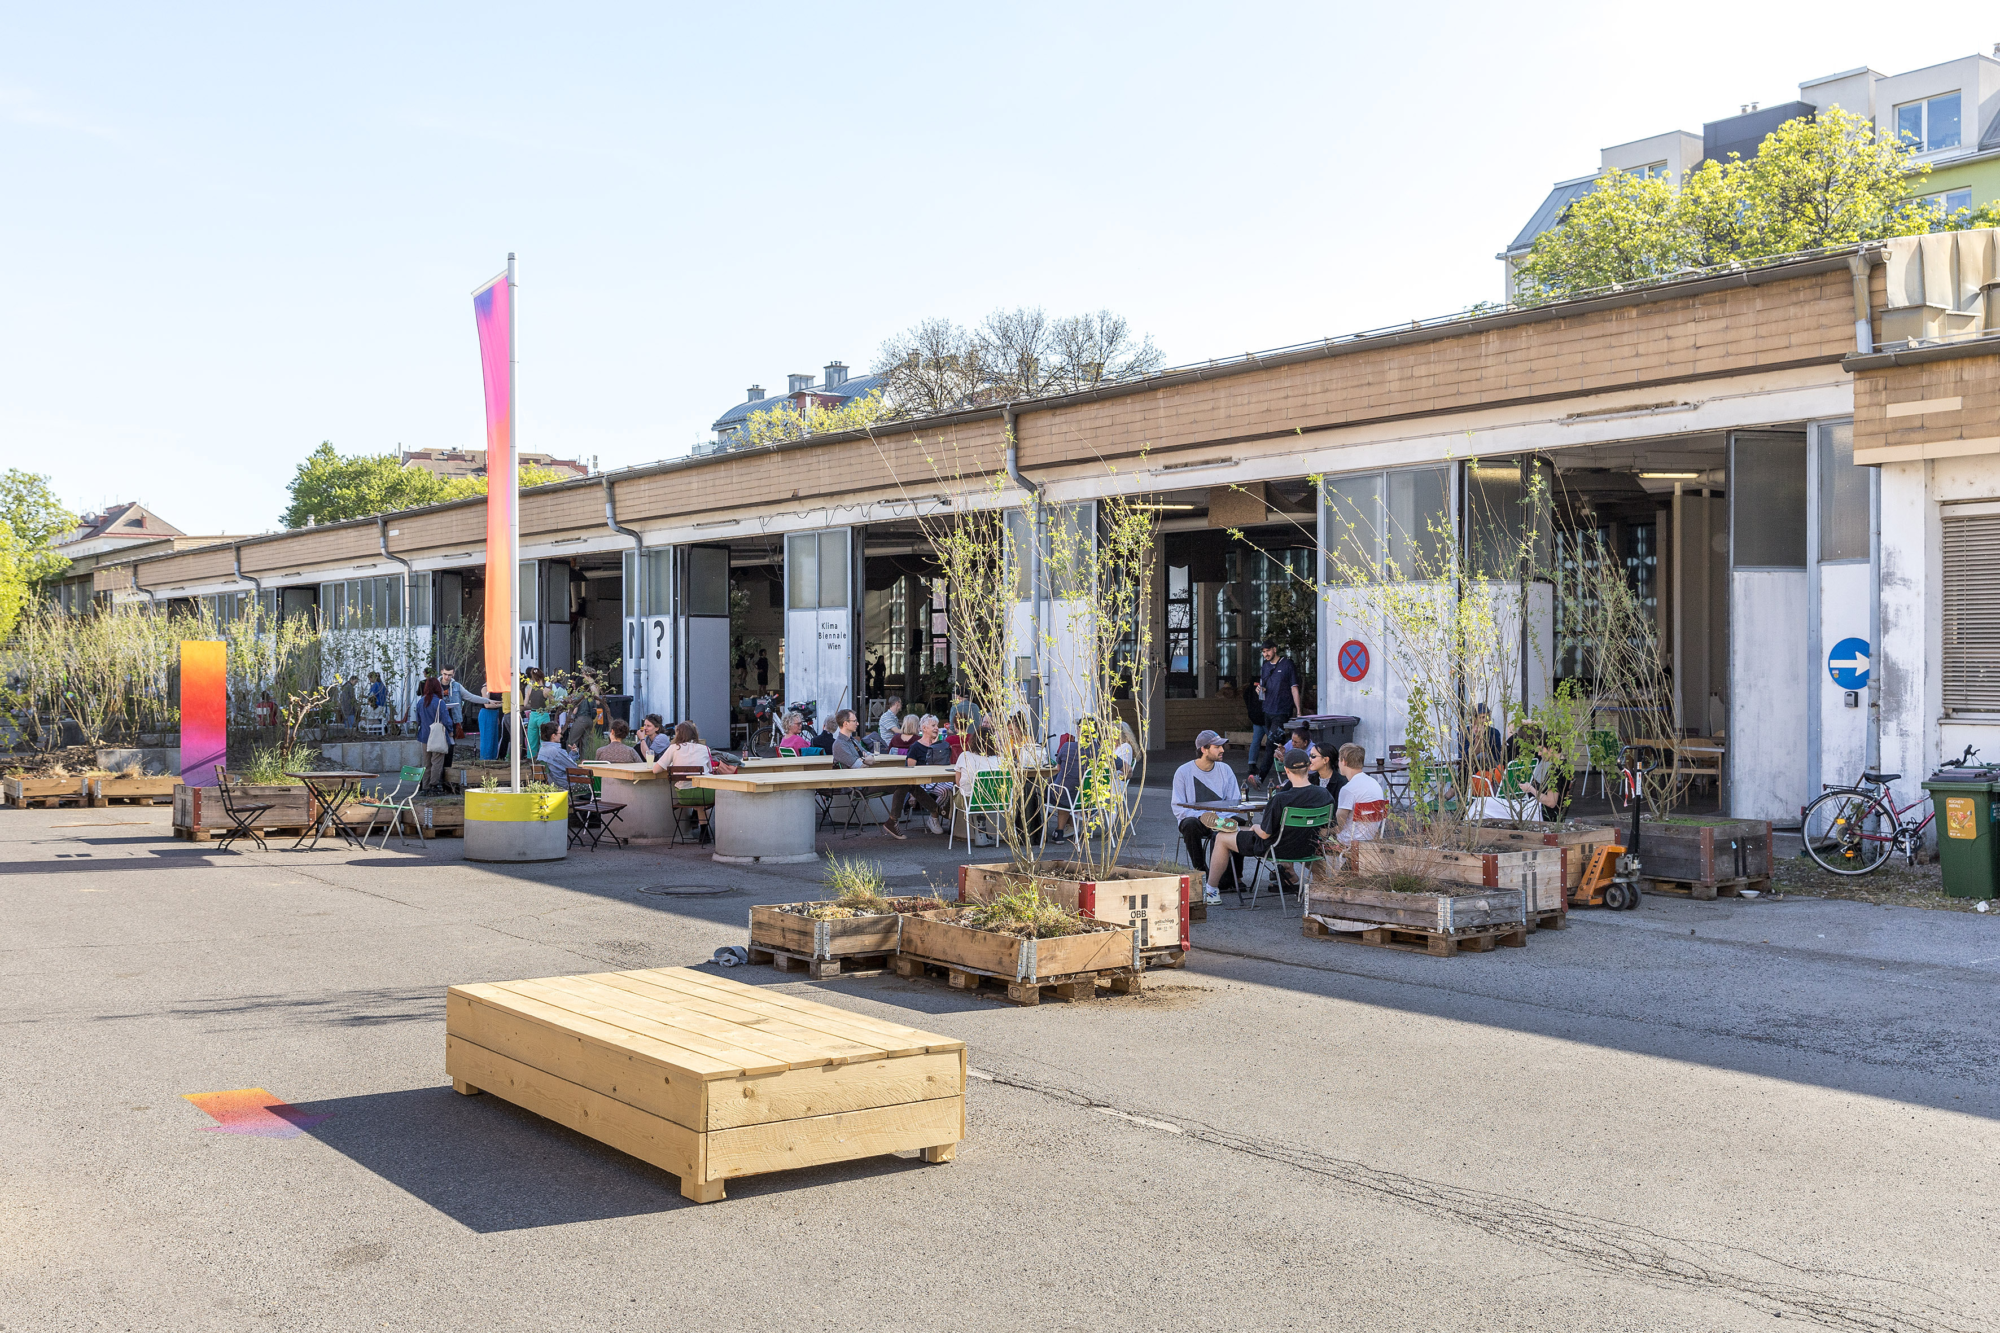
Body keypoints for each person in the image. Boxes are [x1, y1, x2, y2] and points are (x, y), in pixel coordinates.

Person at [1208, 747, 1333, 895]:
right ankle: (1322, 891)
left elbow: (1265, 834)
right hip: (1307, 848)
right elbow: (1326, 830)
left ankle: (1211, 891)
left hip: (1275, 848)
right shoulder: (1324, 794)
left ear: (1286, 770)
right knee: (1245, 830)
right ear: (1308, 767)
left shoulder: (1280, 799)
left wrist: (1255, 827)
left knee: (1222, 838)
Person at [1172, 730, 1243, 900]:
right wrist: (1202, 817)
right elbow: (1178, 807)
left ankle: (1233, 877)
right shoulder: (1183, 772)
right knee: (1189, 825)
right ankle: (1200, 873)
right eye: (1217, 746)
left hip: (1221, 818)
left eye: (1222, 746)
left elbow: (1235, 801)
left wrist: (1221, 818)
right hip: (1196, 819)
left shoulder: (1225, 769)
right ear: (1204, 749)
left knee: (1237, 822)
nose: (1222, 750)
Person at [830, 708, 905, 840]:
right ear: (845, 723)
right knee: (903, 784)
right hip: (859, 786)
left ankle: (935, 811)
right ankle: (892, 822)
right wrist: (865, 760)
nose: (857, 723)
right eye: (855, 721)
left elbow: (868, 756)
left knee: (908, 783)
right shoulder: (839, 745)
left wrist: (864, 760)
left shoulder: (852, 741)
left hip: (867, 780)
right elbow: (858, 765)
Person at [889, 715, 954, 836]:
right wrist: (912, 794)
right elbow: (910, 771)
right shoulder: (916, 747)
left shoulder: (942, 745)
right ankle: (934, 816)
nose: (936, 728)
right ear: (924, 728)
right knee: (945, 790)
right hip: (924, 782)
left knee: (955, 787)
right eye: (933, 726)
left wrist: (936, 746)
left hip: (940, 779)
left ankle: (947, 817)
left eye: (937, 726)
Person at [1250, 640, 1301, 788]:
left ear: (1274, 649)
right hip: (1267, 710)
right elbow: (1263, 685)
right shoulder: (1265, 667)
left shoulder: (1287, 665)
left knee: (1271, 744)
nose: (1265, 654)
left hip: (1282, 711)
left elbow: (1294, 688)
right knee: (1280, 745)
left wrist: (1298, 711)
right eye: (1263, 652)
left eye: (1268, 651)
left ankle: (1260, 776)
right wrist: (1260, 690)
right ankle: (1292, 777)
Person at [654, 721, 715, 843]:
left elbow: (655, 770)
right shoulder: (705, 748)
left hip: (685, 796)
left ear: (678, 734)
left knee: (696, 799)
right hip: (706, 794)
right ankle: (704, 831)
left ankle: (697, 822)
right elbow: (711, 770)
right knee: (701, 801)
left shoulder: (673, 748)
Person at [953, 726, 1005, 847]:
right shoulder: (1000, 760)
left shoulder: (964, 756)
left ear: (973, 740)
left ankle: (976, 834)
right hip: (994, 801)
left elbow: (958, 782)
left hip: (969, 801)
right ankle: (982, 836)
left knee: (960, 791)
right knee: (976, 794)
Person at [1334, 743, 1388, 848]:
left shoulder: (1348, 789)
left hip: (1349, 841)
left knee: (1318, 840)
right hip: (1371, 838)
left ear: (1344, 761)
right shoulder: (1374, 783)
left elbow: (1339, 824)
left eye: (1339, 760)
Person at [1521, 734, 1573, 822]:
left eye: (1541, 750)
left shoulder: (1555, 771)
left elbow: (1551, 802)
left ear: (1551, 748)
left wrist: (1530, 789)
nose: (1539, 753)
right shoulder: (1565, 765)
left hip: (1545, 815)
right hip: (1551, 813)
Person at [414, 677, 450, 792]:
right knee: (437, 762)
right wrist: (451, 731)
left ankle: (425, 786)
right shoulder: (440, 702)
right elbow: (446, 721)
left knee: (426, 763)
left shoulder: (420, 702)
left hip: (424, 736)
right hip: (437, 736)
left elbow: (418, 720)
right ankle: (434, 785)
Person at [1462, 704, 1504, 792]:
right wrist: (1478, 739)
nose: (1485, 720)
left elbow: (1496, 757)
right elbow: (1467, 756)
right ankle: (1452, 795)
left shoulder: (1494, 733)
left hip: (1491, 765)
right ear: (1474, 719)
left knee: (1481, 756)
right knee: (1466, 765)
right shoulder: (1466, 733)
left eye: (1487, 717)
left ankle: (1448, 795)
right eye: (1482, 717)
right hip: (1472, 766)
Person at [438, 667, 482, 736]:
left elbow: (470, 697)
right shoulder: (435, 685)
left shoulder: (456, 686)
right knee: (439, 740)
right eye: (445, 674)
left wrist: (487, 701)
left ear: (453, 674)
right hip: (438, 717)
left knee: (451, 740)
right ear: (441, 672)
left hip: (452, 716)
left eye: (449, 675)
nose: (446, 677)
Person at [535, 721, 579, 787]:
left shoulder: (542, 749)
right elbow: (573, 768)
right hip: (565, 783)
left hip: (551, 783)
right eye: (560, 733)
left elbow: (563, 763)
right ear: (554, 736)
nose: (561, 735)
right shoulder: (556, 751)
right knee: (592, 781)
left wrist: (573, 753)